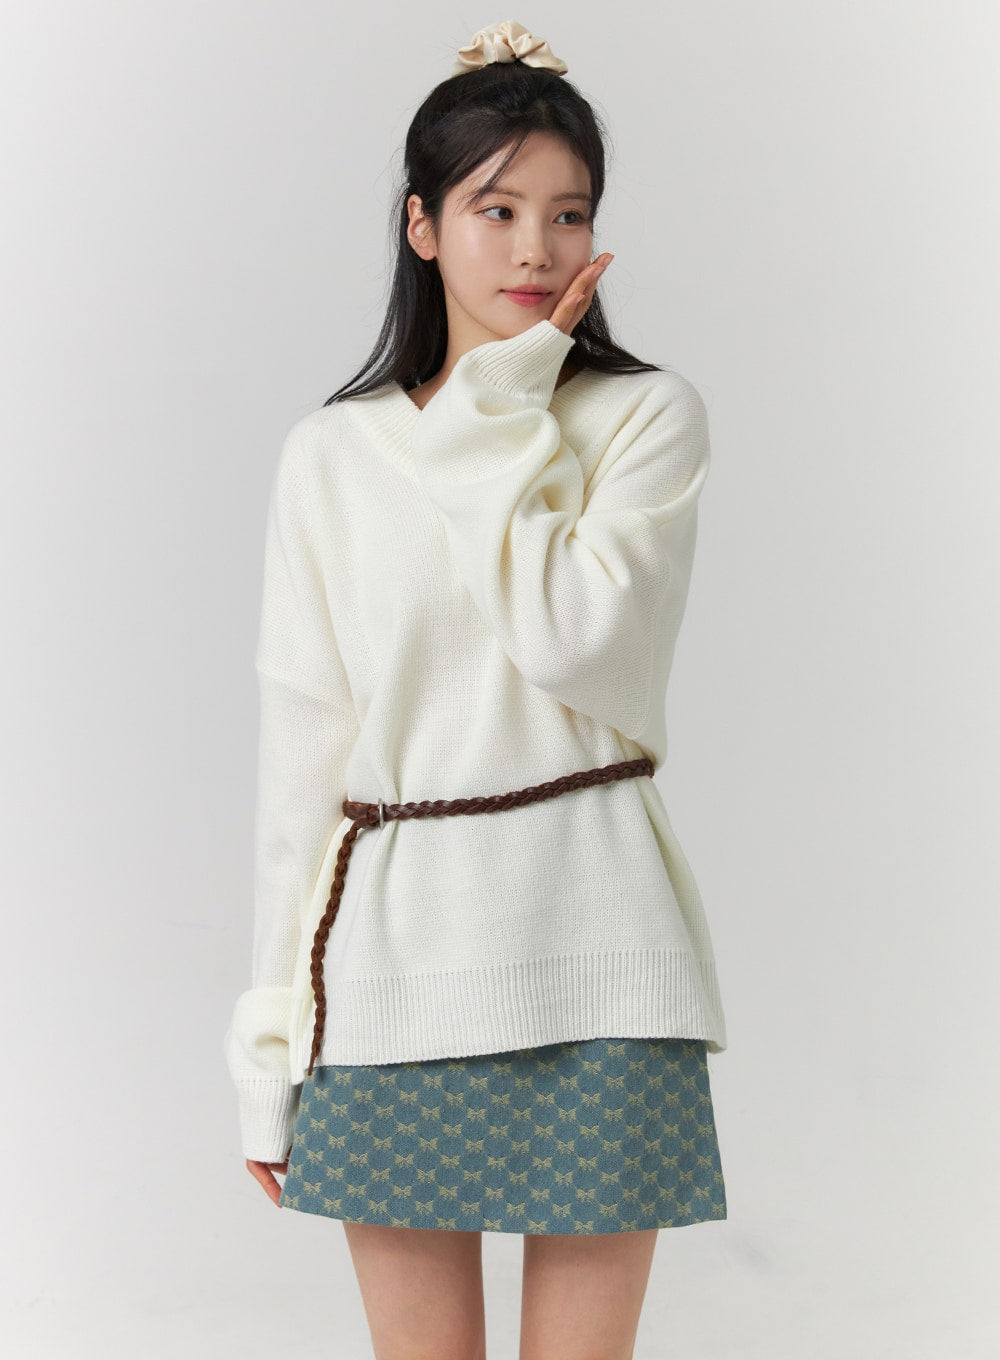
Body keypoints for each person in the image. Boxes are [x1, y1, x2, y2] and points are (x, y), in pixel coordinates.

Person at [224, 18, 729, 1359]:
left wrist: (505, 402)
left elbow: (575, 639)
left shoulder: (644, 418)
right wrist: (268, 1039)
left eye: (569, 213)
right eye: (495, 209)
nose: (535, 249)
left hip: (605, 958)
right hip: (391, 971)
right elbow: (302, 762)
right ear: (423, 226)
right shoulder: (332, 457)